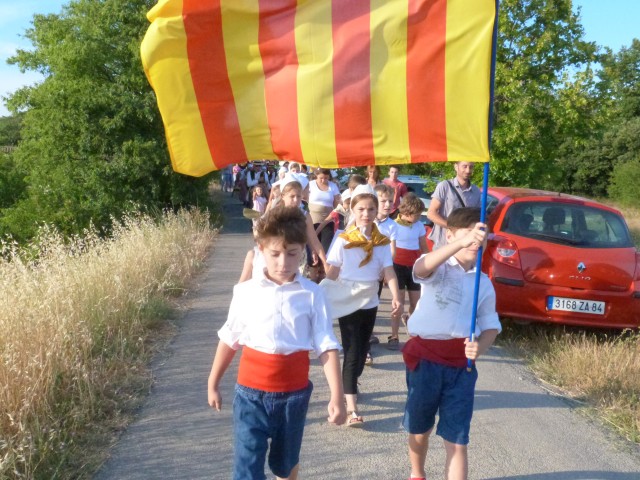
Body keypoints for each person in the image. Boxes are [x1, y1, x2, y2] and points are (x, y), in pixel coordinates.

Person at [207, 207, 346, 480]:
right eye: (275, 254)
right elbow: (229, 338)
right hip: (250, 395)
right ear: (261, 250)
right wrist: (213, 382)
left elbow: (326, 346)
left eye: (292, 253)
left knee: (285, 464)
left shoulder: (312, 294)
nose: (283, 262)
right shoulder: (245, 292)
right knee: (247, 467)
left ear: (303, 250)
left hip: (293, 396)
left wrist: (337, 395)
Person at [401, 207, 501, 480]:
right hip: (425, 361)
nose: (475, 241)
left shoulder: (483, 283)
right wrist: (460, 242)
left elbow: (491, 326)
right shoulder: (439, 266)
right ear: (450, 234)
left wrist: (479, 347)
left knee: (458, 438)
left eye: (481, 235)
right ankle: (417, 472)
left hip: (462, 367)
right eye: (468, 234)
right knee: (420, 429)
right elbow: (421, 268)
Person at [322, 184, 402, 427]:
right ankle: (352, 408)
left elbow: (388, 271)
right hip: (347, 296)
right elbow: (333, 272)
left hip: (370, 298)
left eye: (370, 209)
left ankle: (350, 383)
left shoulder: (381, 241)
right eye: (361, 209)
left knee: (360, 351)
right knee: (353, 351)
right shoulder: (343, 239)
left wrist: (397, 297)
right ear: (353, 210)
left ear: (376, 211)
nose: (366, 213)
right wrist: (319, 293)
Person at [388, 193, 429, 350]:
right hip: (397, 267)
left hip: (414, 267)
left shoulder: (418, 226)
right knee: (398, 303)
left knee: (415, 303)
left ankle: (412, 328)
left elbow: (424, 247)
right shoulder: (393, 225)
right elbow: (387, 250)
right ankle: (394, 335)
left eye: (420, 215)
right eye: (417, 215)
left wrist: (429, 263)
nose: (419, 217)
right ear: (406, 212)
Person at [426, 162, 481, 250]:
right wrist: (453, 228)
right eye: (464, 166)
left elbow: (477, 218)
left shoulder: (476, 191)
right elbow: (431, 213)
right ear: (456, 167)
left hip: (465, 246)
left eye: (471, 167)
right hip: (444, 244)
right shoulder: (444, 186)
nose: (468, 170)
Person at [308, 168, 342, 269]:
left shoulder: (332, 186)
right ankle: (314, 273)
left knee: (326, 248)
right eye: (321, 178)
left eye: (326, 178)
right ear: (316, 176)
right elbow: (304, 196)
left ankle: (324, 272)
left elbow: (337, 202)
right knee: (313, 247)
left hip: (328, 220)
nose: (323, 180)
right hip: (313, 219)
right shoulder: (311, 184)